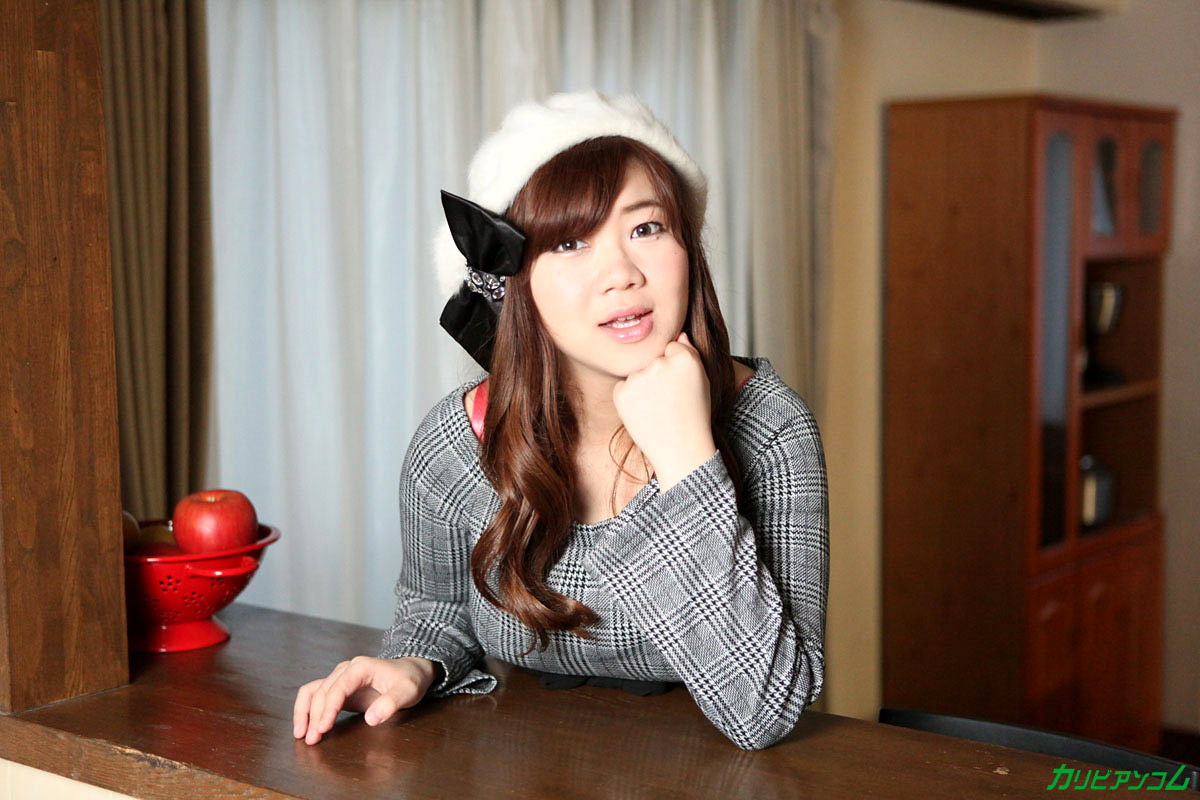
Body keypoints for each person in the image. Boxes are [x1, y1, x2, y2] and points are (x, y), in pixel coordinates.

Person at [292, 91, 829, 751]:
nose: (621, 274)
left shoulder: (769, 427)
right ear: (516, 282)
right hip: (519, 765)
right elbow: (436, 610)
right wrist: (415, 663)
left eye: (646, 228)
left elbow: (767, 705)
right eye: (571, 242)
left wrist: (688, 462)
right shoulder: (457, 444)